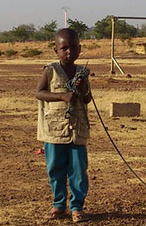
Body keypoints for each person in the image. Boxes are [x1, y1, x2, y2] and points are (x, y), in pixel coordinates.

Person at [35, 28, 92, 223]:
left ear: (80, 49)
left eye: (74, 47)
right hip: (54, 131)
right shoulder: (50, 70)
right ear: (56, 50)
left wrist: (83, 88)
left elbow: (87, 100)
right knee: (55, 169)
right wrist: (61, 96)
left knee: (78, 170)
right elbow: (39, 93)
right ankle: (58, 205)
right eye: (64, 48)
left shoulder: (81, 73)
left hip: (77, 131)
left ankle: (77, 206)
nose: (69, 52)